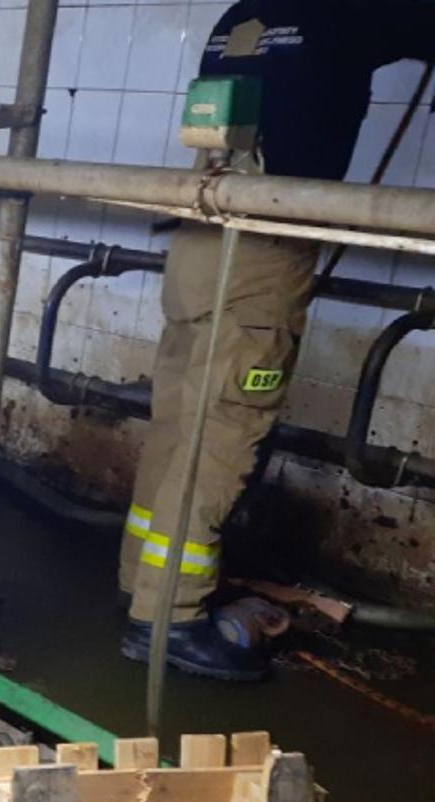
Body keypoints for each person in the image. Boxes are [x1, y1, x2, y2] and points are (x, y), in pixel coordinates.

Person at [119, 0, 435, 681]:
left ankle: (140, 584)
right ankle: (169, 619)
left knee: (179, 425)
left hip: (200, 232)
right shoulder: (342, 15)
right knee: (222, 436)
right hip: (260, 246)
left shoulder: (241, 15)